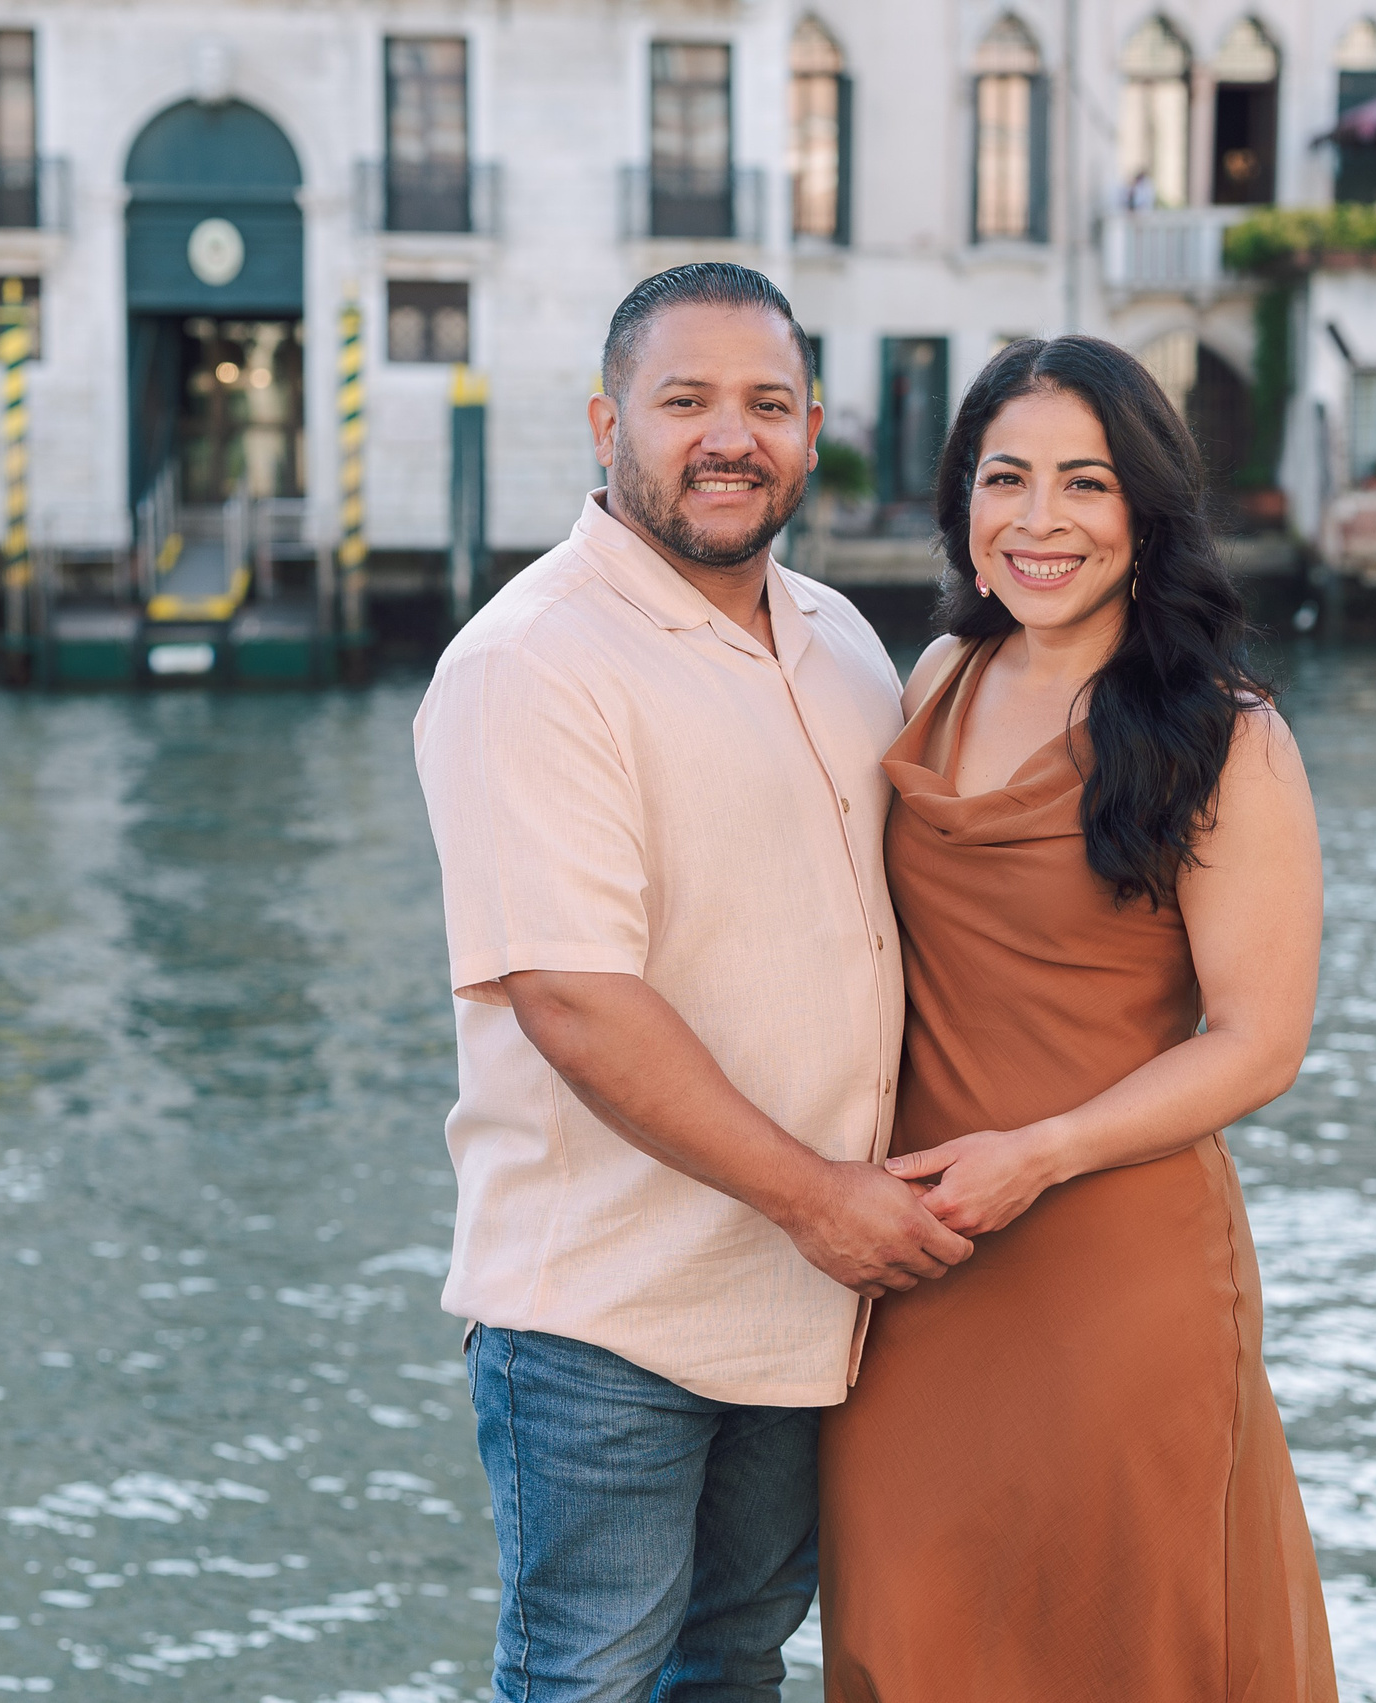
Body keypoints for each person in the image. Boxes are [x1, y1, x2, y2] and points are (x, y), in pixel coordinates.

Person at [413, 263, 970, 1702]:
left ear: (813, 428)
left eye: (766, 404)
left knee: (733, 1671)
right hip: (608, 1316)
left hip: (802, 1300)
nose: (731, 436)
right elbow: (575, 998)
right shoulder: (532, 662)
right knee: (587, 1682)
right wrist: (820, 1198)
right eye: (686, 402)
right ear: (607, 424)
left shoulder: (843, 637)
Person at [818, 335, 1340, 1701]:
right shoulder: (933, 676)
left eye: (1085, 484)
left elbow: (1260, 1042)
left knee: (1122, 1645)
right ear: (964, 503)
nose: (1039, 520)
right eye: (1006, 478)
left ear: (1145, 513)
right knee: (907, 1632)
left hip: (1115, 1268)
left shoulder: (1230, 739)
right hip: (918, 1262)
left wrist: (1037, 1153)